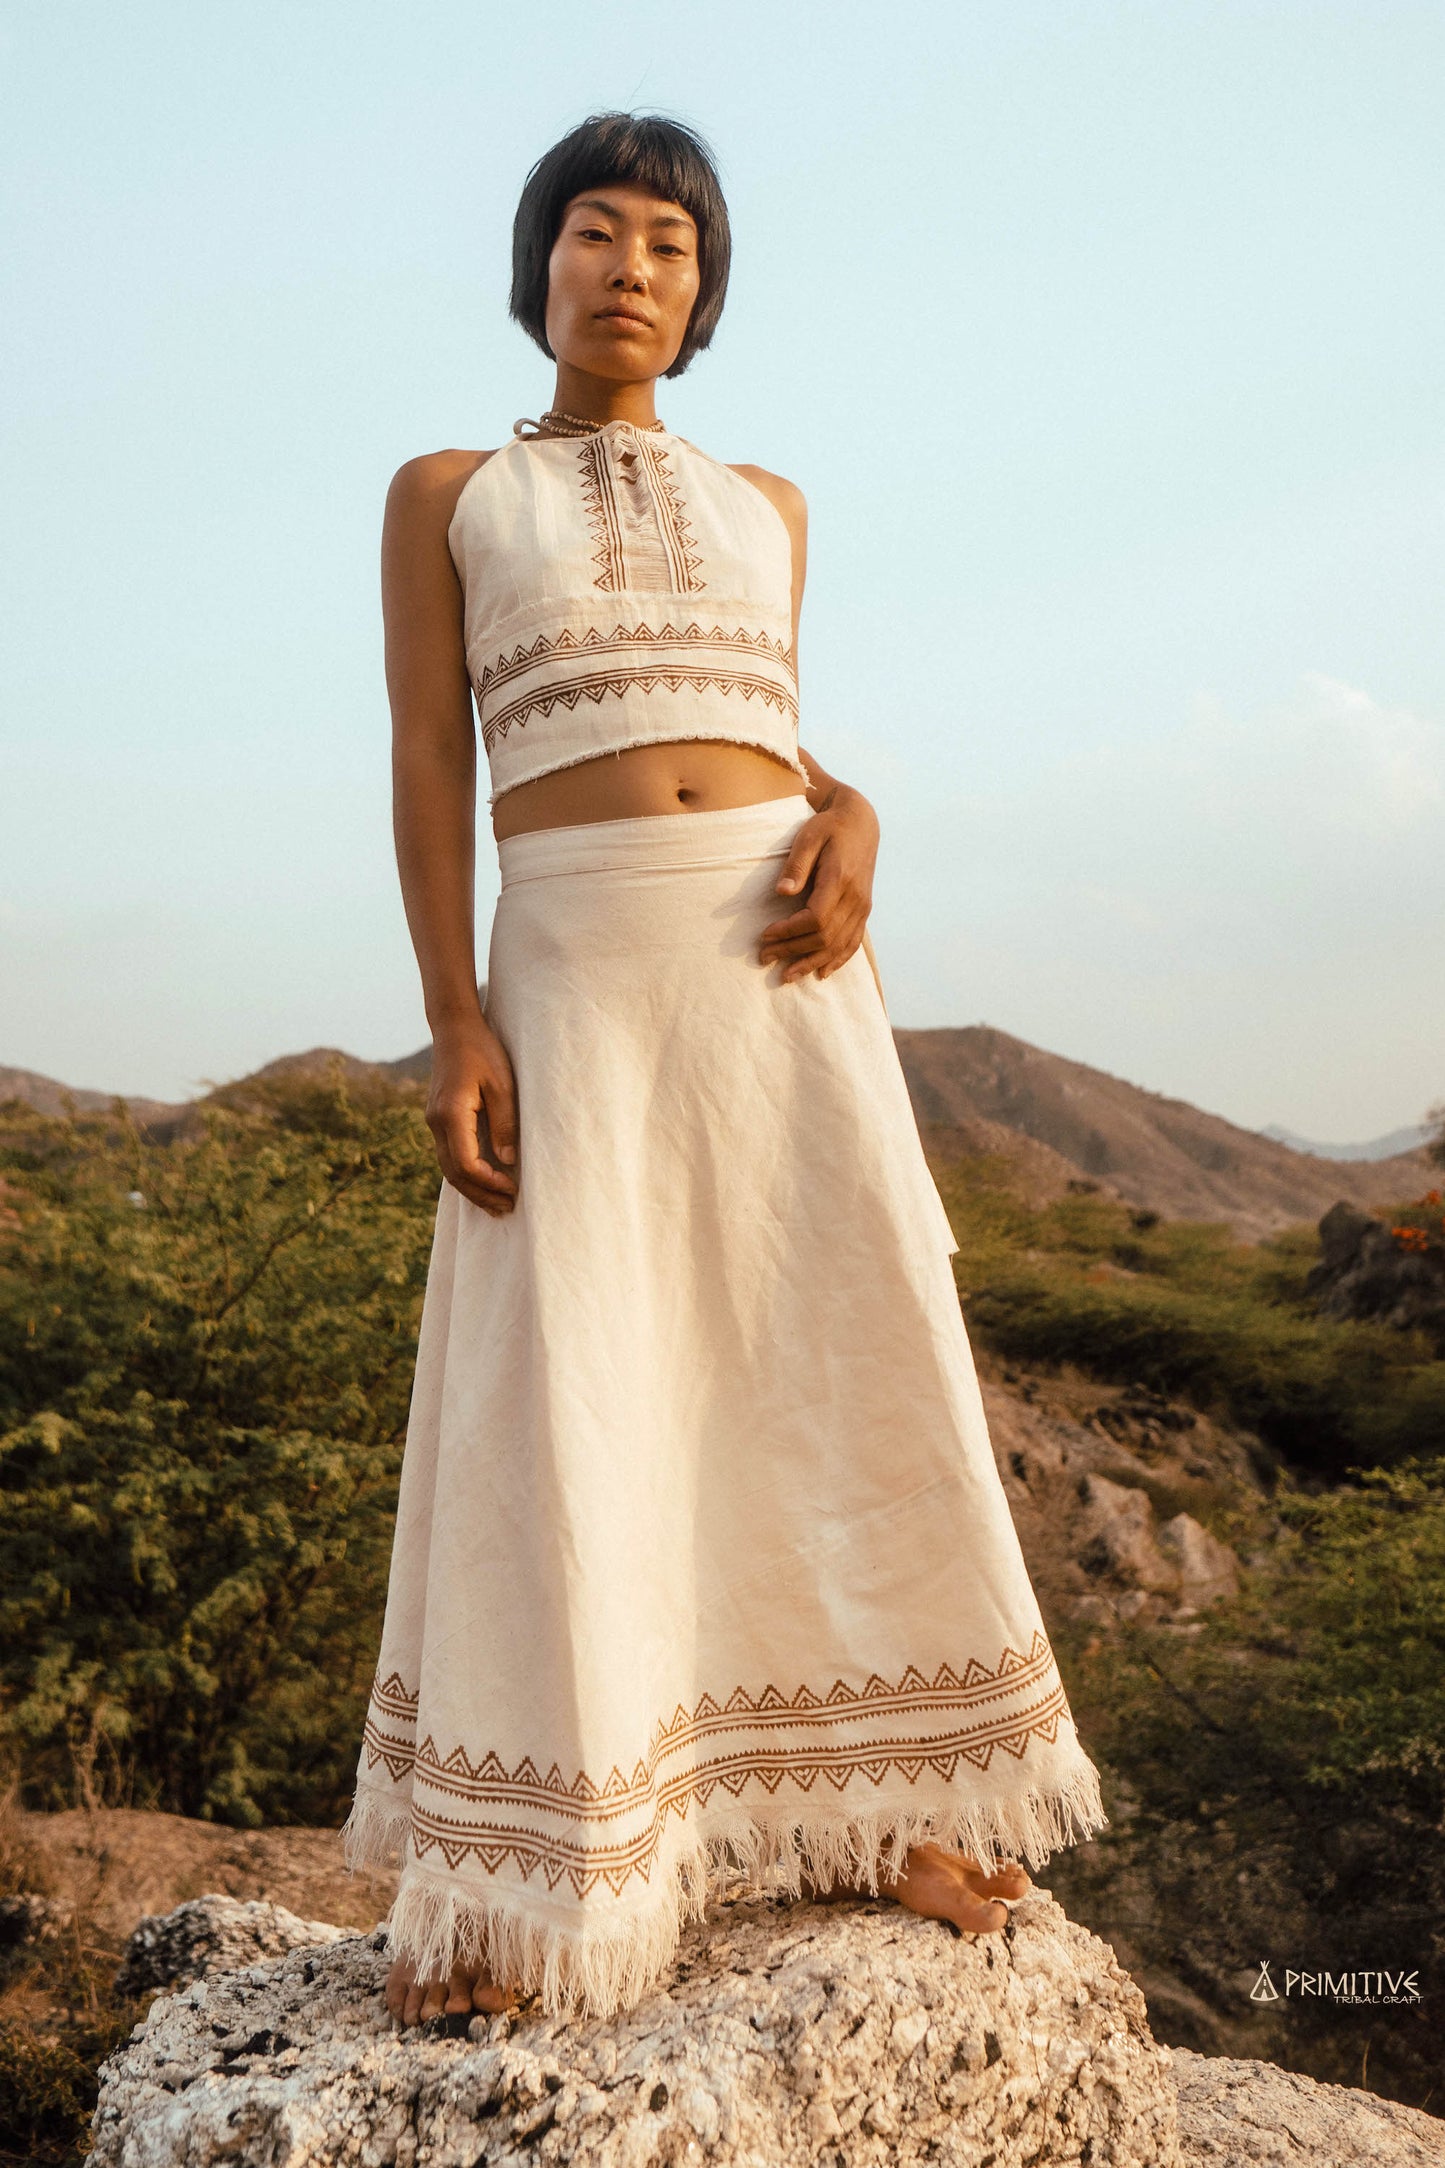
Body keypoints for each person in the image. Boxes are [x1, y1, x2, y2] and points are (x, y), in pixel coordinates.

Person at [343, 111, 1108, 2029]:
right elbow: (435, 762)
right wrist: (454, 1013)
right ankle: (526, 1880)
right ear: (536, 269)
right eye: (596, 234)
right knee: (577, 1382)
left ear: (705, 295)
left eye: (672, 246)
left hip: (774, 972)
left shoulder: (766, 496)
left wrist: (857, 810)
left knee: (820, 1361)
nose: (632, 269)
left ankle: (874, 1814)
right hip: (577, 967)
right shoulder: (447, 490)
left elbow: (756, 721)